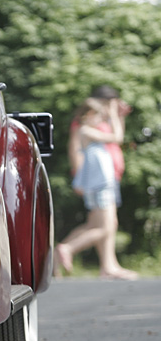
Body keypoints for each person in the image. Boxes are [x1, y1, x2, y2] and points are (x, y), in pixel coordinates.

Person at [55, 90, 137, 280]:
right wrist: (79, 179)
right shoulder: (85, 129)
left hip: (103, 180)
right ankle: (67, 249)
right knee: (104, 227)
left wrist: (118, 116)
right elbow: (117, 137)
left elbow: (118, 136)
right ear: (90, 114)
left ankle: (107, 265)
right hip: (99, 182)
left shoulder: (92, 126)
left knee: (98, 224)